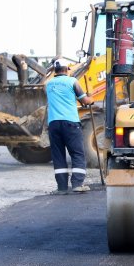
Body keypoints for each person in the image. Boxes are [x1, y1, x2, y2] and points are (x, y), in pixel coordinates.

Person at [45, 58, 95, 195]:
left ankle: (61, 187)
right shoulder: (73, 82)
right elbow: (85, 101)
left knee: (58, 155)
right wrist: (91, 99)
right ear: (67, 69)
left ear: (55, 70)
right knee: (77, 153)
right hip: (70, 123)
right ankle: (77, 184)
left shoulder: (48, 84)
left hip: (54, 124)